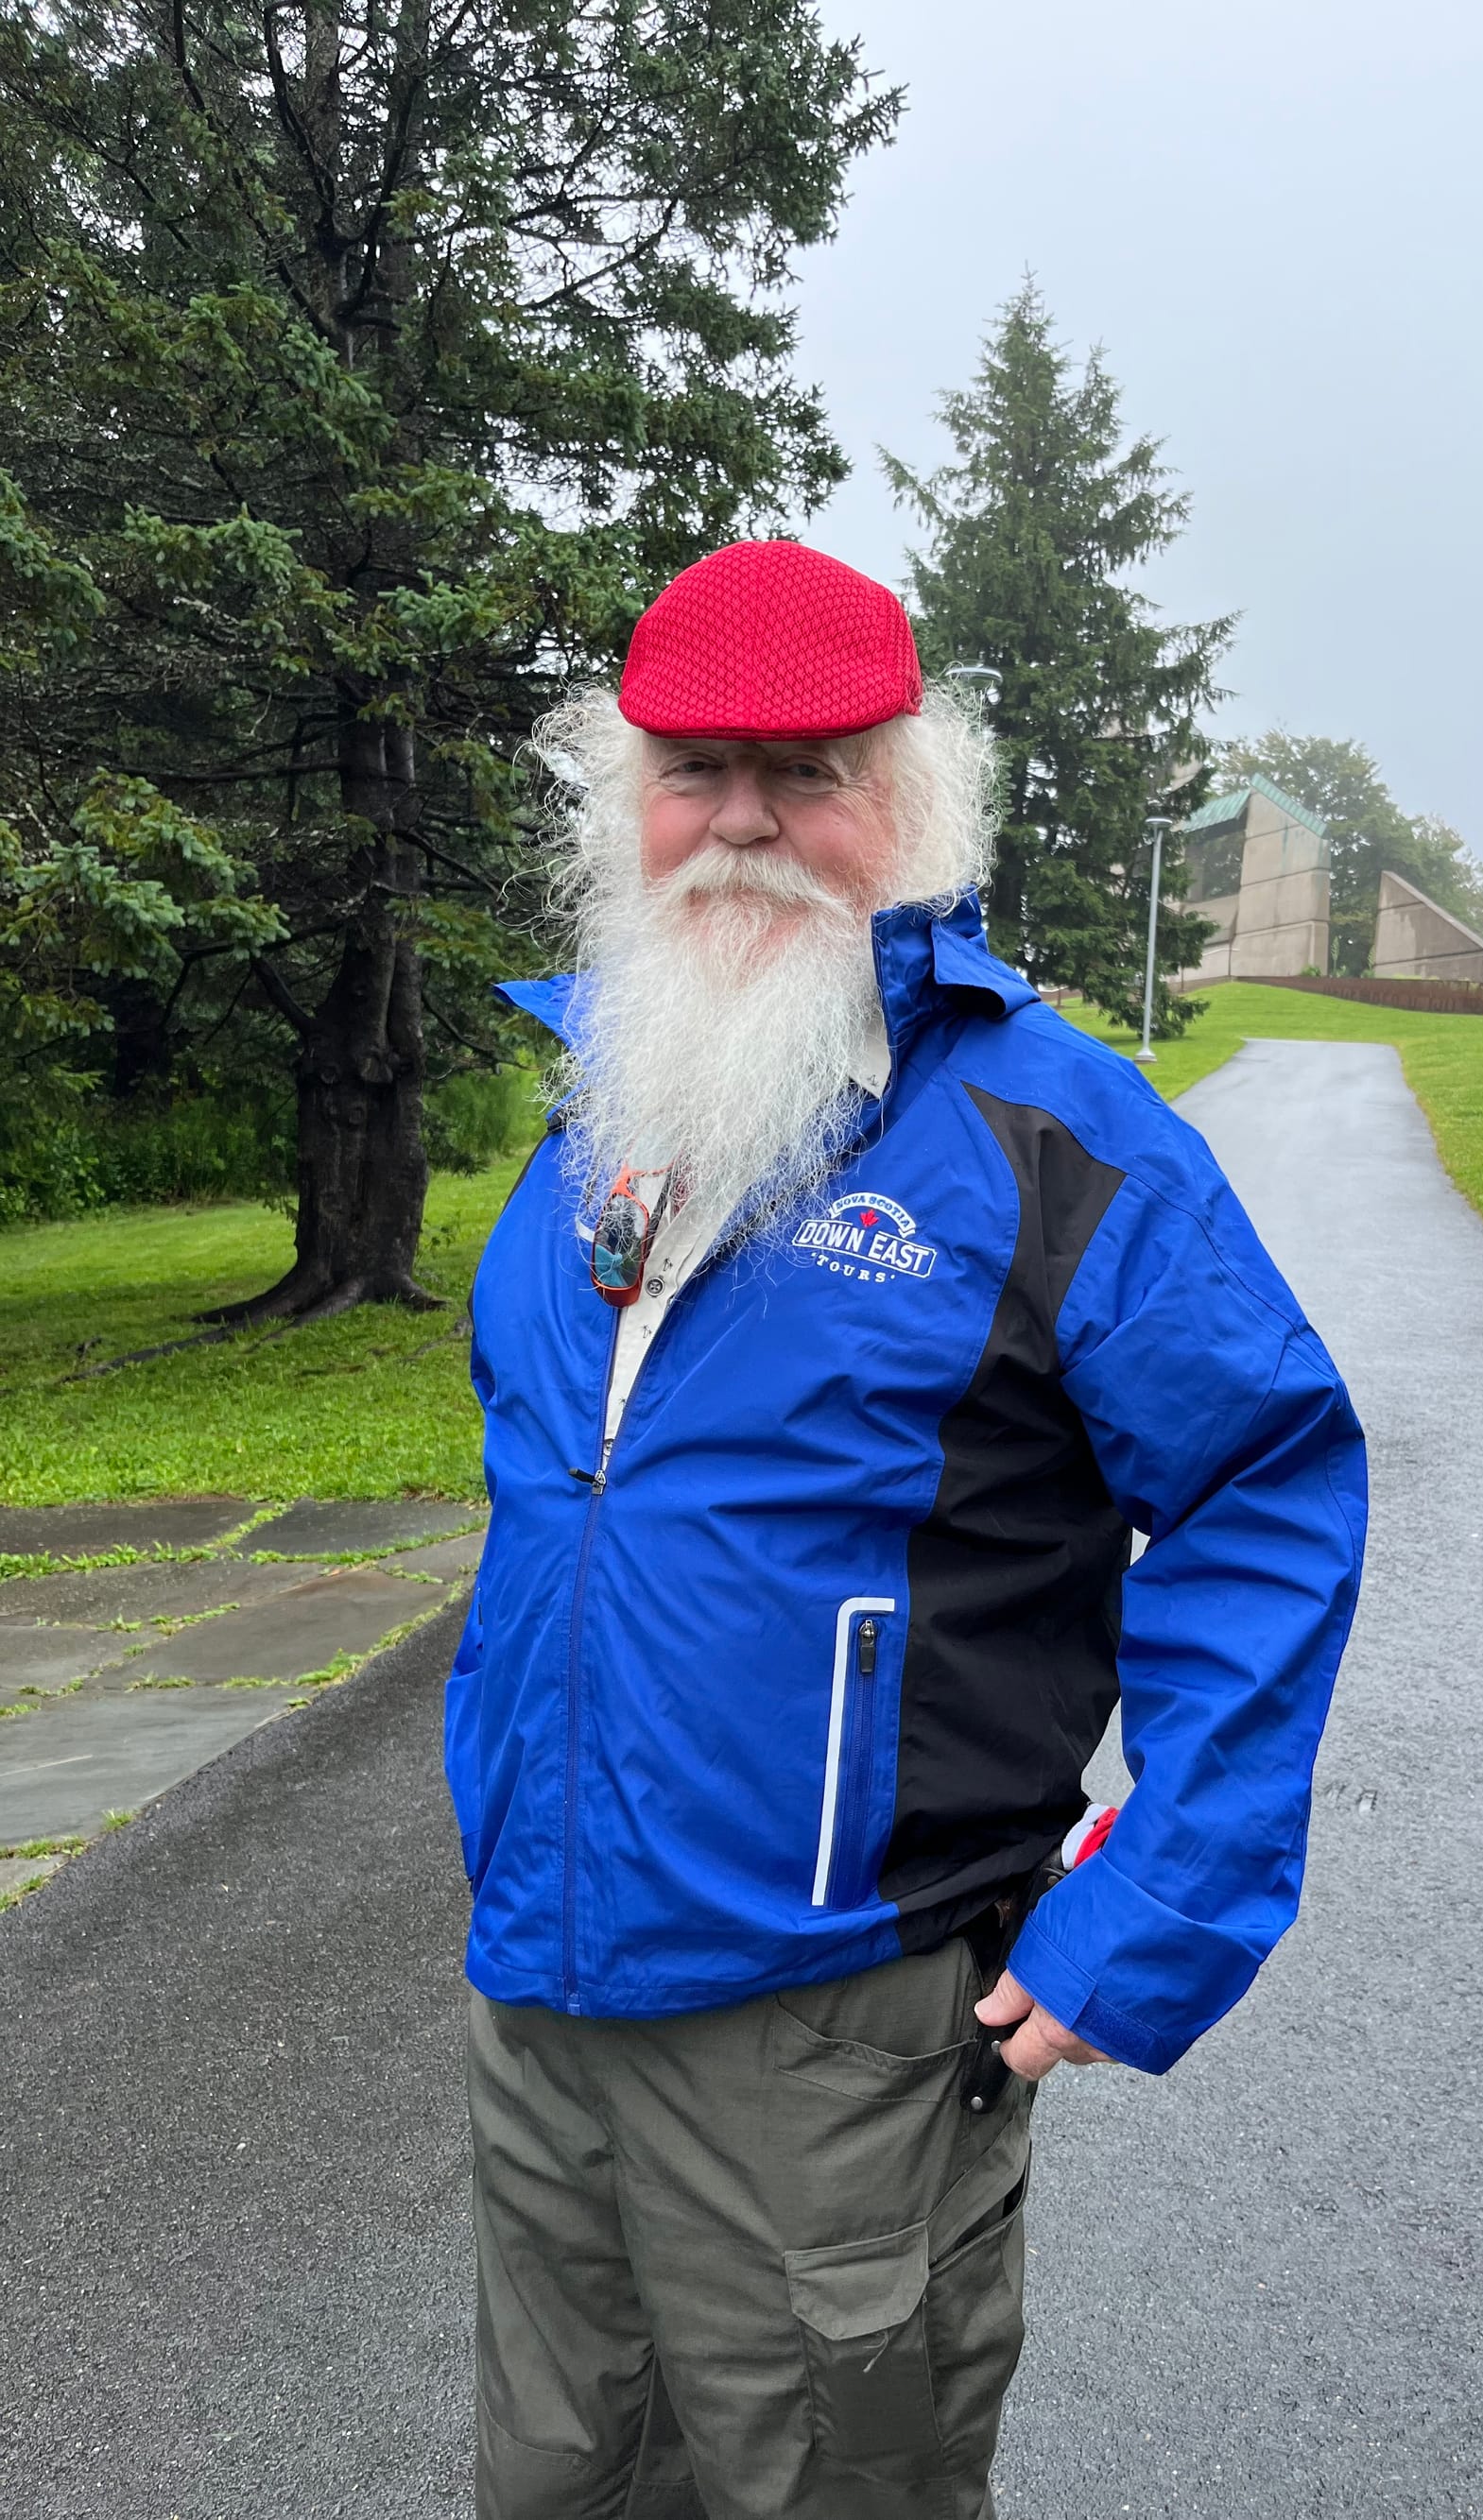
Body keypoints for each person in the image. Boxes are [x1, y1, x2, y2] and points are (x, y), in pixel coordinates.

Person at [446, 539, 1368, 2520]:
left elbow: (1262, 1487)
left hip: (838, 2017)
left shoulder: (1049, 1129)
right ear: (625, 801)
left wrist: (1161, 1903)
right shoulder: (600, 1108)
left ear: (913, 799)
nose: (743, 820)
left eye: (810, 771)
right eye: (696, 770)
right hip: (541, 1986)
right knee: (557, 2478)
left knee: (830, 2489)